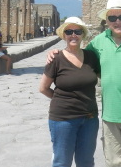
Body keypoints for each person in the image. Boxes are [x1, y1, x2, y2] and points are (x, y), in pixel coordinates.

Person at [48, 0, 121, 167]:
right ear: (107, 21)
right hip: (109, 119)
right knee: (114, 164)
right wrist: (58, 52)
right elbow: (79, 58)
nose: (118, 21)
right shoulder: (99, 42)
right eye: (112, 18)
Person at [39, 17, 101, 167]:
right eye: (69, 31)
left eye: (77, 31)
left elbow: (105, 75)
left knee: (86, 162)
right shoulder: (56, 58)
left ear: (82, 34)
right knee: (62, 162)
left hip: (89, 119)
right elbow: (43, 88)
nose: (73, 35)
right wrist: (62, 99)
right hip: (63, 120)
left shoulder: (91, 57)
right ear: (64, 35)